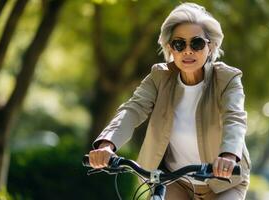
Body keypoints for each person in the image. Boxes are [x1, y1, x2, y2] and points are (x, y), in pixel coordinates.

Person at [88, 2, 251, 200]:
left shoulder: (227, 79)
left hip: (223, 182)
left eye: (197, 43)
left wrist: (228, 156)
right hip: (175, 181)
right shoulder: (159, 77)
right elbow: (132, 109)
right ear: (170, 49)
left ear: (211, 46)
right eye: (179, 44)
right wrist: (107, 144)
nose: (188, 51)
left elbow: (234, 118)